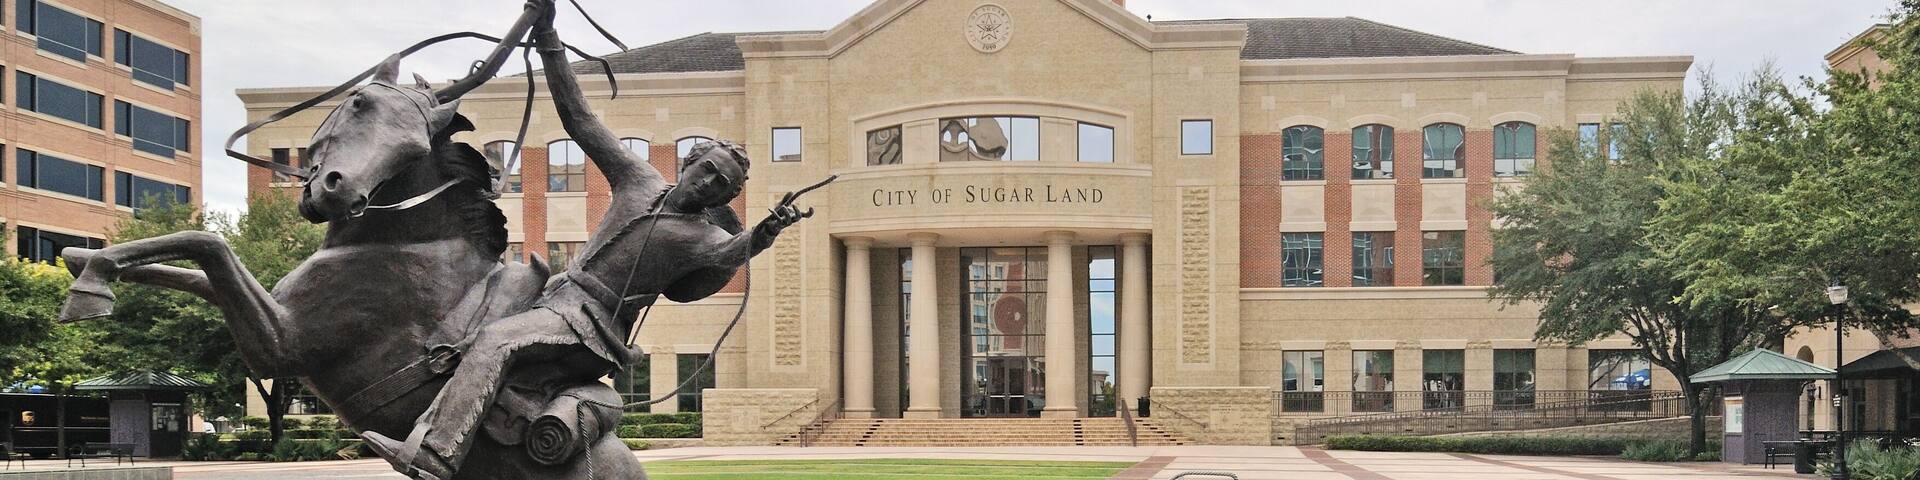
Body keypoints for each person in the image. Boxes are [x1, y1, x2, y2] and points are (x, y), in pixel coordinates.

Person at [359, 4, 808, 478]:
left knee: (494, 341)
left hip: (593, 328)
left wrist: (763, 234)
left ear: (728, 195)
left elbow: (727, 253)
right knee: (462, 322)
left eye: (722, 184)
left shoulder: (704, 235)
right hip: (555, 297)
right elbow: (581, 119)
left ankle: (436, 456)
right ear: (689, 161)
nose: (709, 183)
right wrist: (549, 40)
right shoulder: (637, 178)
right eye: (708, 170)